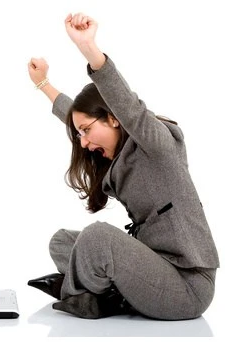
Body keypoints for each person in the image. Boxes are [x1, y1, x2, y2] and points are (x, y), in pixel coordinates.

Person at [27, 13, 219, 320]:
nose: (84, 142)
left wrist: (89, 48)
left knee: (98, 238)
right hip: (153, 265)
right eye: (80, 135)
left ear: (114, 118)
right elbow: (74, 116)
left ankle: (82, 294)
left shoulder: (156, 145)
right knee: (63, 241)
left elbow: (128, 105)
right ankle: (107, 293)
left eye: (87, 131)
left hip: (187, 286)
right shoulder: (117, 156)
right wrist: (44, 85)